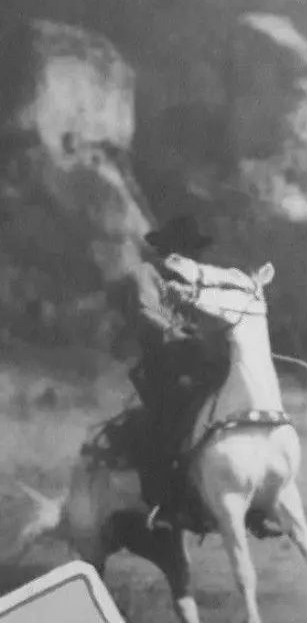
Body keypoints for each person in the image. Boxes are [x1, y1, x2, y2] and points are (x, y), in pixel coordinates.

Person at [116, 215, 228, 532]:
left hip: (196, 358)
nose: (190, 257)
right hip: (161, 365)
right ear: (168, 251)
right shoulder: (148, 275)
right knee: (169, 416)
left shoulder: (198, 282)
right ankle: (163, 496)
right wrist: (178, 331)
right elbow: (146, 312)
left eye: (193, 251)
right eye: (184, 250)